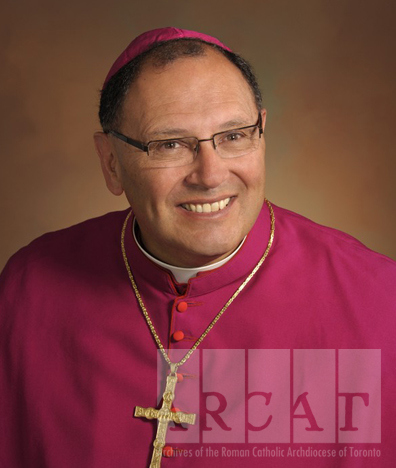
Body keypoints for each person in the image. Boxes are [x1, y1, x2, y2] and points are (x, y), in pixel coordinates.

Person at [0, 27, 395, 468]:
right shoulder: (28, 288)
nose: (210, 175)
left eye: (233, 136)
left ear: (261, 133)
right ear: (111, 163)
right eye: (169, 144)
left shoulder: (378, 301)